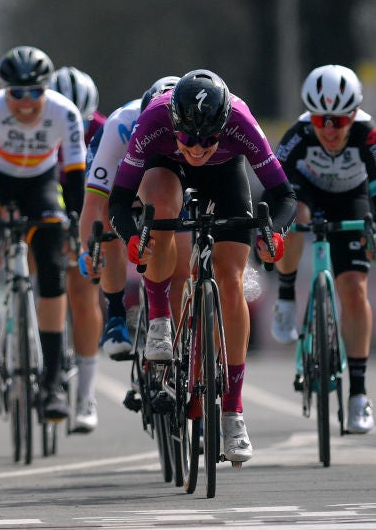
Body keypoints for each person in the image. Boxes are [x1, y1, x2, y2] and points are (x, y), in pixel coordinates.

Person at [108, 70, 296, 463]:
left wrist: (274, 234)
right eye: (188, 138)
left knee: (231, 281)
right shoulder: (155, 119)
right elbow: (120, 200)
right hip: (165, 167)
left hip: (225, 175)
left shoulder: (240, 121)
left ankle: (233, 411)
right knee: (160, 213)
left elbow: (283, 195)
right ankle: (160, 319)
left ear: (224, 126)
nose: (196, 148)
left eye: (208, 139)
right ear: (173, 123)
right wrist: (133, 237)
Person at [0, 46, 86, 422]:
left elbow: (76, 176)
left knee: (52, 267)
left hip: (40, 183)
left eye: (34, 92)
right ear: (4, 91)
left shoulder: (65, 113)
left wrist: (76, 225)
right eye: (17, 93)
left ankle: (53, 380)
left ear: (47, 89)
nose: (26, 103)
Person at [268, 65, 376, 434]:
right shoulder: (298, 134)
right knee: (295, 215)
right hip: (305, 192)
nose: (329, 129)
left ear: (353, 115)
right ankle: (286, 298)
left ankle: (358, 395)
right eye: (321, 119)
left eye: (338, 120)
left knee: (354, 290)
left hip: (351, 200)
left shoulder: (368, 135)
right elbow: (275, 191)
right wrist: (271, 231)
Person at [79, 76, 184, 361]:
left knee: (180, 243)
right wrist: (88, 251)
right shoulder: (120, 125)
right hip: (120, 163)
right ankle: (115, 314)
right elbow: (93, 204)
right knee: (107, 218)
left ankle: (178, 328)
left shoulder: (191, 125)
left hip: (168, 169)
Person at [50, 66, 106, 433]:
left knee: (84, 298)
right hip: (46, 208)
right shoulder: (37, 121)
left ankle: (86, 395)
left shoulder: (103, 129)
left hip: (84, 209)